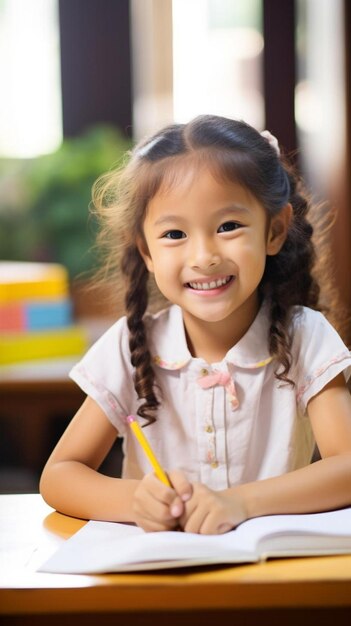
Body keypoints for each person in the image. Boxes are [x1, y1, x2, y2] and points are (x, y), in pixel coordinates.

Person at [40, 114, 351, 535]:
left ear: (274, 231)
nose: (203, 256)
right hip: (158, 575)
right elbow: (59, 474)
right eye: (173, 234)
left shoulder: (304, 336)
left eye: (228, 226)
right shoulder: (133, 345)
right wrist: (136, 501)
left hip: (272, 573)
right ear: (146, 252)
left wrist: (239, 502)